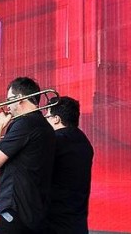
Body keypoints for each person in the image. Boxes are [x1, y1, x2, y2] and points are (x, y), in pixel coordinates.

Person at [0, 77, 55, 233]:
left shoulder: (24, 123)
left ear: (19, 98)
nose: (6, 105)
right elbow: (9, 159)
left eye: (9, 100)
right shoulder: (42, 124)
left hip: (17, 209)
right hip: (32, 209)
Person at [44, 96, 93, 233]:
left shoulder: (55, 141)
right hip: (77, 222)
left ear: (56, 119)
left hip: (56, 222)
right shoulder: (84, 140)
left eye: (47, 116)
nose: (45, 120)